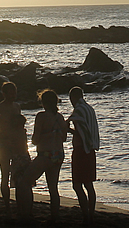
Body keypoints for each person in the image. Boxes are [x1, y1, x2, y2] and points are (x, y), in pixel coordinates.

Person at [19, 89, 67, 221]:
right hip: (59, 154)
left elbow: (35, 140)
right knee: (53, 188)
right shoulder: (60, 117)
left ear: (43, 102)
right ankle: (55, 217)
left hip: (45, 154)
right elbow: (64, 138)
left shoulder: (41, 116)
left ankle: (27, 214)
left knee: (25, 182)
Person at [0, 81, 22, 212]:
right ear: (4, 93)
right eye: (10, 93)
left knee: (18, 176)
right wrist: (2, 141)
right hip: (3, 146)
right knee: (5, 175)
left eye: (14, 93)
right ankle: (7, 205)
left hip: (17, 145)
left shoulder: (17, 106)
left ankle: (19, 204)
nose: (13, 95)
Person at [68, 86, 100, 225]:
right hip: (90, 150)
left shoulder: (79, 110)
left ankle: (86, 215)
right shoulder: (89, 109)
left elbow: (81, 132)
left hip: (81, 150)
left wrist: (67, 129)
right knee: (89, 184)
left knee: (77, 185)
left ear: (73, 98)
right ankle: (91, 214)